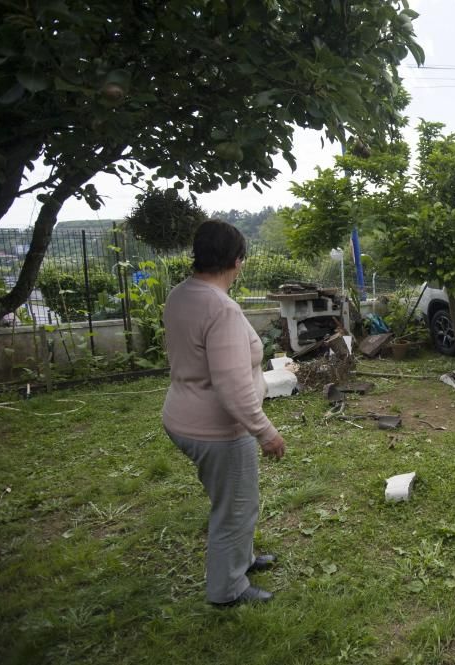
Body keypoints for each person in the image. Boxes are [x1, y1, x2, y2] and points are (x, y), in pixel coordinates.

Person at [162, 219, 287, 607]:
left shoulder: (181, 294)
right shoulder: (222, 309)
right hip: (217, 429)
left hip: (182, 415)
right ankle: (227, 590)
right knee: (235, 507)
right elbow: (232, 387)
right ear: (237, 260)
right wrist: (264, 431)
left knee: (232, 499)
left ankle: (242, 559)